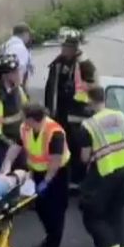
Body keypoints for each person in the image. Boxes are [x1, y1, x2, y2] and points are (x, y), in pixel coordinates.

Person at [1, 102, 70, 247]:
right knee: (40, 207)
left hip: (58, 174)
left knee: (56, 211)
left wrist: (46, 182)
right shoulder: (26, 128)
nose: (23, 122)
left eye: (26, 119)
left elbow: (55, 161)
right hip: (38, 172)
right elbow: (15, 149)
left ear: (33, 120)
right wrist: (6, 166)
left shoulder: (55, 133)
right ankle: (50, 235)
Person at [78, 85, 124, 247]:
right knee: (116, 211)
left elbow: (85, 157)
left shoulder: (88, 125)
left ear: (91, 100)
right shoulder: (120, 116)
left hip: (104, 172)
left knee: (92, 214)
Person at [43, 28, 96, 188]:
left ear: (74, 47)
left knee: (76, 148)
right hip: (61, 114)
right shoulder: (61, 62)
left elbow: (91, 87)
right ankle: (64, 177)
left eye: (66, 47)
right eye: (62, 46)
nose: (63, 49)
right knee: (61, 147)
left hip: (76, 116)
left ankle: (76, 181)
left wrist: (72, 91)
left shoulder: (84, 64)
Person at [0, 23, 35, 88]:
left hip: (3, 83)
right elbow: (20, 68)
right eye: (29, 35)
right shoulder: (20, 48)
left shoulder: (4, 46)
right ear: (25, 34)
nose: (29, 38)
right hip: (15, 85)